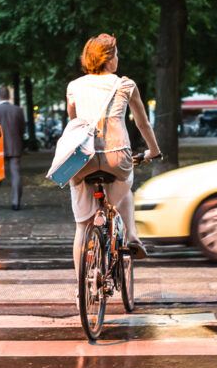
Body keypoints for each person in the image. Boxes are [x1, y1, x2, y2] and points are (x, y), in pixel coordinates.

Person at [67, 34, 162, 281]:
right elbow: (142, 123)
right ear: (108, 59)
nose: (118, 58)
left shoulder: (73, 87)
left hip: (83, 160)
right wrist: (153, 150)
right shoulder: (125, 85)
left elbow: (73, 122)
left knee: (81, 226)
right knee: (126, 190)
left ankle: (81, 292)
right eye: (116, 54)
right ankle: (131, 236)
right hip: (116, 156)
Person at [0, 86, 26, 210]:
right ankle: (16, 202)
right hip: (14, 146)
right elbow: (23, 130)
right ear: (9, 95)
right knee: (15, 174)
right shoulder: (18, 110)